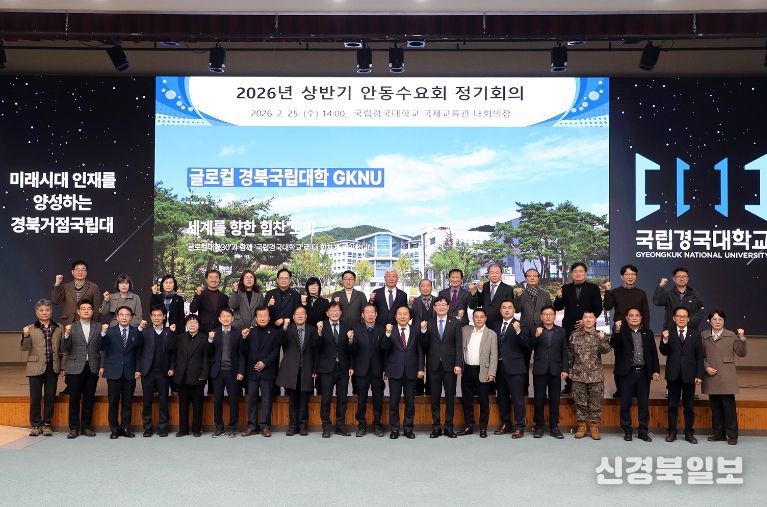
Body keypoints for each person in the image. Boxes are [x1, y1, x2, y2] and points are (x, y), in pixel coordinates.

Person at [51, 259, 101, 395]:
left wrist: (96, 326)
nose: (80, 272)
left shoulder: (93, 287)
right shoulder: (65, 286)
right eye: (77, 269)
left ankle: (83, 384)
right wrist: (57, 283)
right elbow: (55, 300)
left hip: (86, 324)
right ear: (72, 272)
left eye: (83, 269)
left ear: (86, 272)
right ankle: (70, 385)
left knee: (82, 352)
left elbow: (96, 308)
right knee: (67, 353)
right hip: (68, 324)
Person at [610, 308, 660, 442]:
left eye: (637, 315)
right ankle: (627, 430)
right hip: (626, 374)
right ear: (626, 318)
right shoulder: (621, 331)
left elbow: (653, 353)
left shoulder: (648, 333)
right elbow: (613, 344)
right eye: (631, 315)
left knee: (643, 404)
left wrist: (655, 370)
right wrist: (617, 330)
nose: (634, 317)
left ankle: (643, 431)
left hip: (643, 373)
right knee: (625, 404)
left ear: (641, 318)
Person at [553, 262, 603, 395]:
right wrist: (559, 297)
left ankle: (588, 385)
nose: (578, 273)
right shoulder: (565, 288)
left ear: (585, 273)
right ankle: (569, 385)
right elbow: (557, 307)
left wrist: (586, 321)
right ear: (572, 273)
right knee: (570, 356)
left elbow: (598, 308)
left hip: (588, 328)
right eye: (575, 271)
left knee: (588, 357)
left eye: (581, 271)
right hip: (569, 327)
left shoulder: (593, 288)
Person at [603, 264, 650, 398]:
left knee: (637, 358)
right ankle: (620, 389)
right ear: (622, 277)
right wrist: (607, 290)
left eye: (633, 274)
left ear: (636, 276)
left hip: (638, 329)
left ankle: (636, 389)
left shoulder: (641, 293)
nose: (630, 277)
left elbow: (646, 313)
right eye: (627, 274)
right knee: (620, 359)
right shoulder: (615, 292)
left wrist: (646, 330)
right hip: (621, 329)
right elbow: (607, 306)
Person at [418, 296, 462, 438]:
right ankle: (436, 428)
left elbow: (458, 345)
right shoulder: (428, 323)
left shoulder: (455, 322)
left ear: (448, 307)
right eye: (438, 305)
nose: (441, 307)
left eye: (444, 305)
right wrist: (423, 331)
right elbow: (424, 345)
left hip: (450, 366)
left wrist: (458, 363)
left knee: (450, 398)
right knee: (435, 398)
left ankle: (449, 427)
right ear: (434, 307)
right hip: (433, 366)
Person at [659, 306, 704, 444]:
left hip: (689, 375)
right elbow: (664, 352)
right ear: (674, 318)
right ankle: (672, 432)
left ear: (688, 319)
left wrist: (699, 375)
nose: (682, 318)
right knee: (672, 405)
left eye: (684, 316)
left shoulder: (695, 334)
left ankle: (689, 433)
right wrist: (665, 340)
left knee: (689, 406)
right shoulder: (668, 332)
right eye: (679, 316)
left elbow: (699, 356)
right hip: (673, 375)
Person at [701, 310, 747, 445]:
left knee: (729, 408)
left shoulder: (731, 335)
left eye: (720, 319)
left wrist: (742, 338)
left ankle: (732, 436)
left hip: (727, 376)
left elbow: (741, 353)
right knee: (715, 408)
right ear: (710, 321)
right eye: (714, 319)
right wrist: (706, 367)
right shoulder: (704, 335)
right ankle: (718, 434)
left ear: (724, 321)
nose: (717, 322)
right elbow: (699, 354)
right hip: (711, 375)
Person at [100, 306, 145, 439]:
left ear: (131, 317)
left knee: (127, 402)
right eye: (121, 315)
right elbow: (102, 347)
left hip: (130, 372)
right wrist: (103, 334)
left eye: (127, 315)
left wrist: (138, 369)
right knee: (113, 402)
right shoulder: (109, 331)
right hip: (114, 371)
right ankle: (114, 429)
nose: (124, 317)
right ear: (117, 317)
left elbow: (139, 352)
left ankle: (125, 428)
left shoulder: (137, 331)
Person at [381, 305, 424, 439]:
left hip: (411, 371)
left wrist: (420, 368)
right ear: (395, 317)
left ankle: (408, 429)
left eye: (405, 314)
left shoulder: (416, 330)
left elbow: (420, 351)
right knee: (394, 402)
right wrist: (387, 334)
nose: (403, 316)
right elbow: (384, 348)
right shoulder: (390, 330)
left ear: (410, 316)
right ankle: (394, 429)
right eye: (400, 314)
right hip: (394, 371)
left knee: (410, 403)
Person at [21, 299, 63, 437]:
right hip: (35, 367)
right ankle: (36, 425)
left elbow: (63, 349)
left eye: (47, 310)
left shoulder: (59, 327)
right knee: (35, 398)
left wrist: (63, 367)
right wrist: (25, 335)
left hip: (52, 366)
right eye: (41, 310)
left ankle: (47, 424)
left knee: (50, 398)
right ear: (36, 312)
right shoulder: (30, 328)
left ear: (51, 311)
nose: (44, 313)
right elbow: (24, 348)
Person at [60, 299, 101, 438]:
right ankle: (74, 428)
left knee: (89, 399)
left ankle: (86, 427)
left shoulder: (98, 327)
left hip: (92, 367)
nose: (86, 311)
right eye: (83, 308)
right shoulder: (71, 327)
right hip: (74, 368)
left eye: (89, 308)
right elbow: (64, 348)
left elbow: (102, 348)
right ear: (78, 311)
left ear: (92, 311)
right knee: (74, 399)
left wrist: (102, 365)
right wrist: (66, 334)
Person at [276, 306, 319, 436]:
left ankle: (302, 426)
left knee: (304, 399)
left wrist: (315, 369)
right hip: (291, 369)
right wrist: (284, 326)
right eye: (297, 314)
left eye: (302, 313)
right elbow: (280, 341)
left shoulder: (312, 330)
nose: (300, 316)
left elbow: (316, 350)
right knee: (293, 399)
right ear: (293, 317)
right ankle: (292, 426)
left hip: (306, 368)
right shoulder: (288, 329)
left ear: (306, 316)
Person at [568, 311, 611, 440]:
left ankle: (594, 427)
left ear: (595, 320)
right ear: (582, 320)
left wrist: (601, 339)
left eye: (591, 317)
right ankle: (581, 427)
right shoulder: (574, 336)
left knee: (595, 403)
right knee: (580, 402)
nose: (588, 320)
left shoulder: (601, 335)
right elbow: (570, 355)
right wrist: (569, 370)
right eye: (585, 317)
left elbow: (605, 350)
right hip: (579, 375)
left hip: (595, 376)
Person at [528, 305, 568, 439]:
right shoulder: (536, 329)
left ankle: (554, 426)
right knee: (539, 399)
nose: (548, 317)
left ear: (555, 316)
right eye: (545, 314)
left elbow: (564, 351)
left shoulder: (561, 331)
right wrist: (536, 336)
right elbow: (529, 347)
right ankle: (539, 426)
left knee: (555, 399)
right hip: (540, 369)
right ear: (541, 316)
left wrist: (565, 369)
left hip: (556, 370)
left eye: (551, 314)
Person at [458, 307, 498, 438]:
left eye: (482, 317)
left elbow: (494, 356)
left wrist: (492, 373)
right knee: (467, 401)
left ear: (486, 318)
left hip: (483, 371)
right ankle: (469, 426)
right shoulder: (465, 330)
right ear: (472, 318)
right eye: (476, 317)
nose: (479, 319)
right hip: (467, 370)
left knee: (484, 402)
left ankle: (483, 428)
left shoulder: (491, 334)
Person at [240, 306, 280, 437]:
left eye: (265, 315)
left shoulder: (274, 332)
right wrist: (243, 338)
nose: (263, 318)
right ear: (256, 318)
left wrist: (265, 363)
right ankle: (251, 426)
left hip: (268, 372)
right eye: (260, 316)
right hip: (252, 372)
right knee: (251, 399)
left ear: (269, 317)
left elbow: (275, 352)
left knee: (266, 400)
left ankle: (265, 426)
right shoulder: (250, 332)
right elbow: (243, 351)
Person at [491, 299, 528, 438]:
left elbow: (527, 346)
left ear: (514, 310)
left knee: (518, 399)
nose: (507, 310)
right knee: (502, 398)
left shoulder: (521, 324)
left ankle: (519, 426)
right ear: (500, 310)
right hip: (499, 368)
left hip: (516, 368)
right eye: (504, 307)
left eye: (509, 307)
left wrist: (519, 331)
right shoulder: (495, 325)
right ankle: (506, 423)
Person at [207, 308, 247, 437]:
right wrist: (210, 340)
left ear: (232, 318)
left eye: (228, 316)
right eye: (223, 316)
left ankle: (233, 428)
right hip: (218, 372)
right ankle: (219, 428)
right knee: (217, 401)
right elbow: (209, 353)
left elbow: (242, 354)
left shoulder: (238, 333)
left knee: (233, 401)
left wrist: (241, 371)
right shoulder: (214, 333)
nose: (225, 318)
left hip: (233, 372)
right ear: (219, 319)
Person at [317, 301, 353, 437]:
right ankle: (326, 427)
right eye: (332, 310)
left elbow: (351, 350)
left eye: (337, 310)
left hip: (343, 368)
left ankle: (340, 426)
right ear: (327, 313)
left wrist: (351, 340)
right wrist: (319, 332)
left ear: (341, 312)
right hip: (327, 369)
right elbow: (316, 346)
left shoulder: (347, 326)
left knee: (342, 399)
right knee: (326, 399)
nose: (334, 312)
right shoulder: (322, 326)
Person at [350, 303, 386, 437]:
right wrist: (351, 340)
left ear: (376, 314)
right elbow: (352, 352)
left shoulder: (382, 329)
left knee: (378, 400)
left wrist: (385, 369)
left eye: (372, 312)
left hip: (377, 370)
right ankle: (361, 425)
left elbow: (385, 351)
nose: (370, 314)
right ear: (362, 314)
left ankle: (377, 425)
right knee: (361, 400)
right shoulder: (356, 329)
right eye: (367, 312)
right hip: (361, 370)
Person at [169, 314, 209, 437]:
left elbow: (206, 358)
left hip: (198, 377)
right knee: (183, 405)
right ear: (186, 325)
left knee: (198, 405)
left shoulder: (204, 338)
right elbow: (171, 349)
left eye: (194, 322)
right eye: (189, 323)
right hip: (182, 376)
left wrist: (204, 375)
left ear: (198, 325)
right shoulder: (180, 337)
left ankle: (197, 429)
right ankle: (183, 430)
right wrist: (172, 333)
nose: (192, 325)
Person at [139, 305, 174, 437]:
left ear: (164, 317)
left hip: (163, 372)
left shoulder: (169, 331)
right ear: (150, 317)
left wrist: (172, 367)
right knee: (147, 401)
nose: (156, 318)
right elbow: (138, 349)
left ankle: (163, 427)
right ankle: (147, 428)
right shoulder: (145, 331)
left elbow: (173, 352)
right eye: (154, 315)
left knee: (164, 401)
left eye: (159, 315)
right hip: (148, 371)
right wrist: (138, 369)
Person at [653, 267, 705, 332]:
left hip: (690, 330)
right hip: (671, 330)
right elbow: (657, 301)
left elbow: (701, 309)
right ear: (674, 279)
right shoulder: (669, 294)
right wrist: (661, 285)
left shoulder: (694, 294)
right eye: (679, 276)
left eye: (684, 276)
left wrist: (689, 321)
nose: (681, 278)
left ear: (688, 278)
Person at [410, 278, 435, 396]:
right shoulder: (414, 301)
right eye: (423, 286)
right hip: (417, 336)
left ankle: (430, 388)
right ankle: (418, 389)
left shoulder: (437, 301)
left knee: (432, 362)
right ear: (419, 288)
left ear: (431, 287)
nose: (425, 288)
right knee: (417, 361)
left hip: (433, 336)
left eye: (428, 285)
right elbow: (408, 315)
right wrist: (410, 305)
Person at [469, 264, 514, 329]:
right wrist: (478, 291)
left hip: (501, 324)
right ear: (488, 274)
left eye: (497, 273)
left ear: (501, 274)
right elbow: (476, 304)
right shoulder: (483, 287)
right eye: (492, 273)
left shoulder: (508, 289)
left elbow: (510, 309)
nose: (494, 275)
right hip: (485, 324)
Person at [189, 269, 230, 335]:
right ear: (206, 280)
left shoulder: (224, 297)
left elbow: (227, 314)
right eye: (211, 277)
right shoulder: (200, 294)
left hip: (219, 331)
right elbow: (193, 309)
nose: (214, 280)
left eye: (216, 277)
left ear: (219, 280)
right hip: (203, 331)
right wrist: (198, 295)